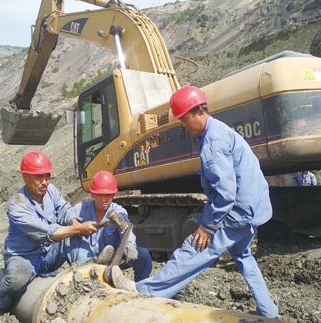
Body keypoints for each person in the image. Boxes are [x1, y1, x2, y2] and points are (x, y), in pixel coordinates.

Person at [111, 86, 279, 319]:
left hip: (236, 210)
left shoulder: (213, 142)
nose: (184, 125)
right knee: (243, 256)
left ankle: (142, 291)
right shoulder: (221, 130)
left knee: (194, 249)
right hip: (253, 207)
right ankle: (268, 311)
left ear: (200, 111)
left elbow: (226, 193)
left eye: (185, 119)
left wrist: (208, 226)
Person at [0, 151, 98, 315]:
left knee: (73, 237)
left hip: (47, 253)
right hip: (24, 257)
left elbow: (63, 209)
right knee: (17, 280)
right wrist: (79, 228)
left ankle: (88, 276)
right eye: (38, 177)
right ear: (25, 177)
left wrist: (75, 224)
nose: (44, 182)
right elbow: (48, 232)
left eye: (47, 176)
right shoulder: (17, 205)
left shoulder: (51, 190)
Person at [67, 170, 152, 281]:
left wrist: (130, 244)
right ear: (92, 194)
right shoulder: (82, 208)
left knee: (143, 255)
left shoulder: (118, 211)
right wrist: (76, 224)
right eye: (99, 195)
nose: (104, 199)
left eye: (108, 195)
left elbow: (125, 228)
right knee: (82, 262)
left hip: (113, 260)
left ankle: (142, 289)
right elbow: (66, 213)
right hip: (87, 259)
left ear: (114, 194)